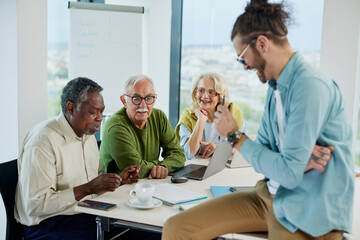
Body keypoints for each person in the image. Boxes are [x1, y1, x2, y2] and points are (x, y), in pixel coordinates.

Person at [162, 1, 354, 239]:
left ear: (262, 43)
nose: (244, 67)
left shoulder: (309, 87)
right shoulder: (275, 89)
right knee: (176, 228)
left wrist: (235, 137)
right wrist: (288, 159)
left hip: (306, 210)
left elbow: (289, 173)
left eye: (243, 57)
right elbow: (261, 156)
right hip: (268, 196)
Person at [15, 77, 141, 240]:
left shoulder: (87, 135)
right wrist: (88, 188)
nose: (100, 118)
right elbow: (35, 205)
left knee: (143, 232)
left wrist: (118, 181)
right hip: (46, 226)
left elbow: (93, 185)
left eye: (102, 111)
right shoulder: (43, 141)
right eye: (93, 112)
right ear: (71, 108)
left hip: (84, 214)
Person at [100, 74, 186, 179]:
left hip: (147, 185)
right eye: (136, 99)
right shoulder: (115, 126)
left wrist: (163, 166)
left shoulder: (159, 116)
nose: (143, 105)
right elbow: (134, 169)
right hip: (117, 190)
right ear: (124, 101)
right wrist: (158, 166)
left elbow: (179, 155)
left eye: (149, 98)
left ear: (154, 99)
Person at [175, 72, 247, 159]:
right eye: (201, 90)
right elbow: (188, 154)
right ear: (195, 92)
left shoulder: (233, 114)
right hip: (195, 167)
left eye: (212, 92)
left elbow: (243, 149)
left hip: (226, 168)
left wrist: (218, 148)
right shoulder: (188, 116)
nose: (205, 96)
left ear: (220, 96)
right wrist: (201, 120)